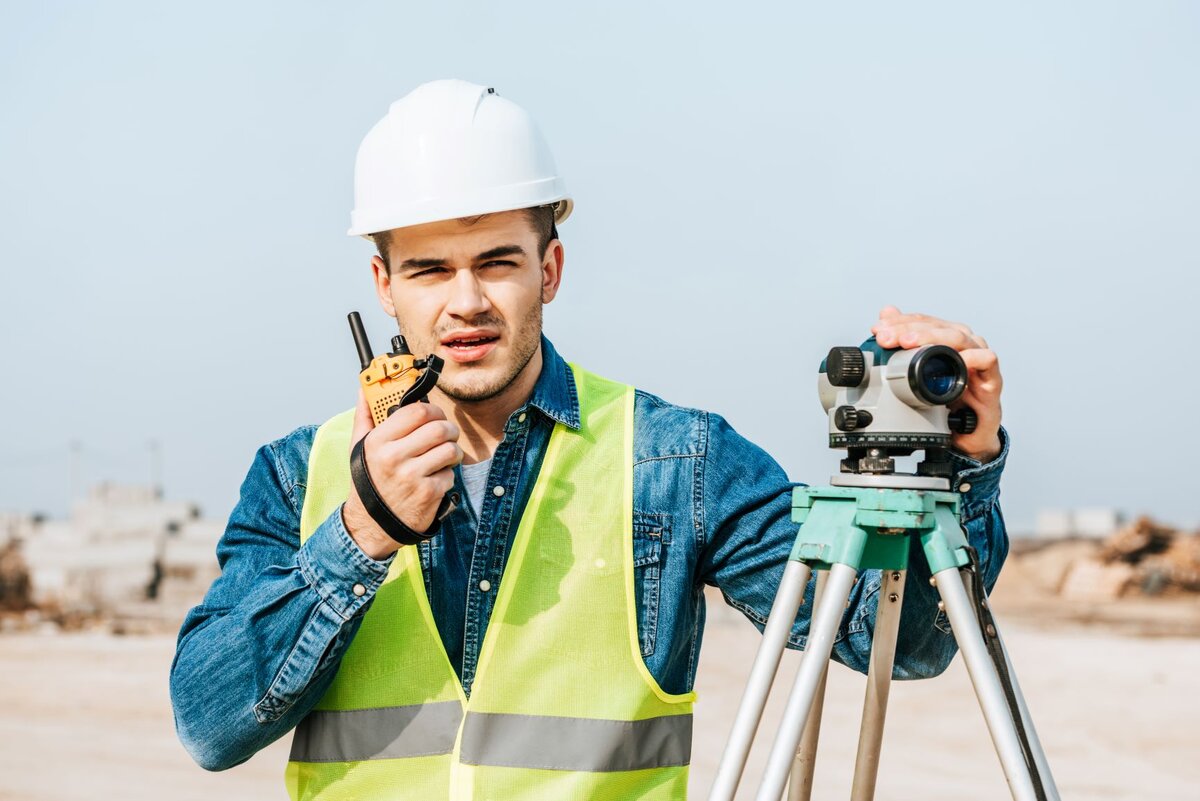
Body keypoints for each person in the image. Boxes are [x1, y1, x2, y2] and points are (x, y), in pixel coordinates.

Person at [170, 79, 1009, 800]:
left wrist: (961, 466)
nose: (465, 302)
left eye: (496, 261)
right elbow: (208, 725)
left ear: (550, 269)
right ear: (384, 286)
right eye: (429, 269)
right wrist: (363, 534)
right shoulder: (296, 475)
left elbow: (904, 640)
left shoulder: (677, 461)